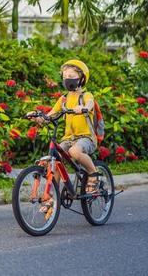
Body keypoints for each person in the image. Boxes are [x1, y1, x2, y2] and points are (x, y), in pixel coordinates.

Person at [32, 59, 100, 213]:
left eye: (71, 75)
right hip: (68, 139)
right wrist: (38, 118)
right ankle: (51, 196)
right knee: (54, 160)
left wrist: (83, 108)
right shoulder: (63, 99)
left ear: (81, 78)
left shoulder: (86, 95)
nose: (67, 78)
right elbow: (50, 115)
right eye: (65, 76)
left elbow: (90, 104)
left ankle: (93, 174)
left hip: (86, 137)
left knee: (75, 152)